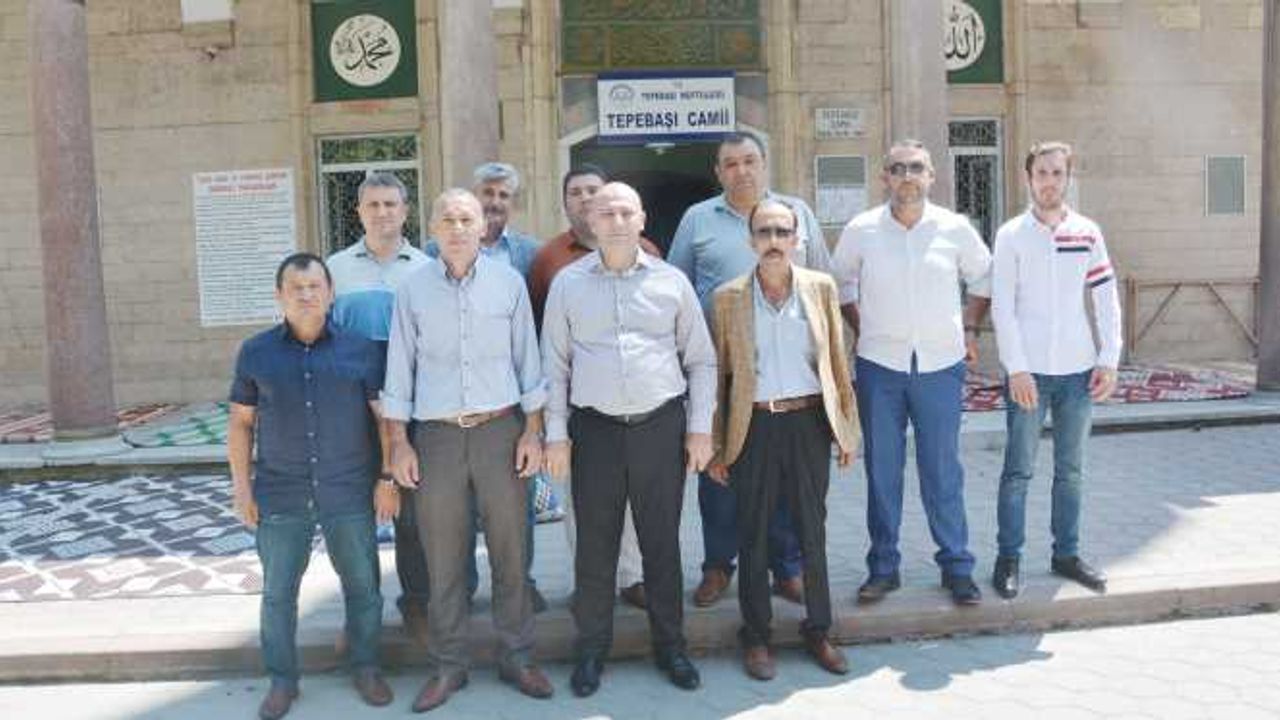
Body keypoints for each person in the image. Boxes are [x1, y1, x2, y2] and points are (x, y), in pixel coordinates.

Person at [543, 183, 716, 697]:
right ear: (591, 221)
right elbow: (554, 366)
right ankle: (591, 650)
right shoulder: (568, 284)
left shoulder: (672, 282)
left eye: (626, 212)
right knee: (594, 548)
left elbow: (701, 360)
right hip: (593, 430)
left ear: (642, 219)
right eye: (606, 213)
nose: (616, 221)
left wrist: (700, 429)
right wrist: (556, 435)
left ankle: (672, 647)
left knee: (660, 544)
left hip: (659, 428)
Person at [384, 190, 552, 712]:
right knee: (444, 556)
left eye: (466, 219)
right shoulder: (412, 290)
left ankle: (517, 655)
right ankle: (449, 664)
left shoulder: (509, 284)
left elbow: (529, 362)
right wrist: (399, 443)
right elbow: (399, 370)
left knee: (510, 550)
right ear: (432, 228)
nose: (457, 228)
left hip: (501, 431)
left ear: (483, 227)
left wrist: (533, 432)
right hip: (436, 437)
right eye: (447, 220)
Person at [228, 253, 396, 720]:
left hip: (349, 488)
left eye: (314, 286)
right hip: (281, 491)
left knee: (363, 587)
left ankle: (366, 667)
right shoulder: (255, 352)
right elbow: (240, 424)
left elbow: (384, 421)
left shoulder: (361, 350)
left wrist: (387, 478)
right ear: (280, 295)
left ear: (330, 292)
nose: (306, 295)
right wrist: (242, 489)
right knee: (278, 593)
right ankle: (283, 680)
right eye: (296, 288)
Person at [669, 132, 830, 608]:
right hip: (720, 374)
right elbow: (678, 289)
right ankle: (719, 565)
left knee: (783, 478)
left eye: (749, 161)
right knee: (719, 473)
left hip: (787, 375)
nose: (741, 171)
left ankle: (787, 567)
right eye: (731, 163)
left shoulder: (796, 213)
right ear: (718, 172)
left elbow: (822, 282)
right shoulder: (698, 219)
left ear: (764, 163)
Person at [832, 139, 992, 607]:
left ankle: (957, 566)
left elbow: (984, 277)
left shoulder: (955, 228)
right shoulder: (862, 229)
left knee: (942, 470)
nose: (907, 176)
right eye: (898, 168)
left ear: (931, 176)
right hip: (879, 367)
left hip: (940, 366)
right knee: (882, 471)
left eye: (916, 168)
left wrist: (970, 327)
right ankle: (883, 568)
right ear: (884, 177)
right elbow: (840, 282)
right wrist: (862, 326)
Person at [708, 199, 860, 680]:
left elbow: (837, 362)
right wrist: (717, 445)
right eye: (764, 232)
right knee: (752, 533)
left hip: (808, 423)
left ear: (797, 239)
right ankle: (757, 636)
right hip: (752, 426)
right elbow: (720, 377)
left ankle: (819, 629)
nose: (773, 241)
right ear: (750, 240)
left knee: (811, 530)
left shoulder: (820, 288)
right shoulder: (728, 298)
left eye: (782, 232)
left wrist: (847, 430)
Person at [989, 141, 1121, 599]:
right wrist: (1016, 369)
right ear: (1029, 178)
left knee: (1071, 471)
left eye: (1057, 173)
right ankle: (1008, 558)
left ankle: (1066, 555)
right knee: (1018, 471)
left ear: (1068, 178)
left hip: (1078, 373)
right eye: (1041, 173)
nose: (1049, 181)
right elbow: (1003, 307)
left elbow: (1105, 298)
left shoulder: (1086, 232)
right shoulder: (1011, 235)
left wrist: (1108, 359)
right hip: (1029, 375)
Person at [527, 163, 661, 610]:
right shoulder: (548, 260)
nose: (586, 199)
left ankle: (633, 577)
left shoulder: (648, 252)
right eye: (576, 192)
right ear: (565, 203)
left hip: (638, 404)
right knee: (583, 501)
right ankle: (589, 581)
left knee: (633, 500)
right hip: (579, 405)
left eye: (593, 190)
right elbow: (543, 335)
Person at [426, 161, 547, 611]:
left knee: (514, 508)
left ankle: (520, 584)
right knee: (455, 510)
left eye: (503, 195)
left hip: (507, 401)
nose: (494, 202)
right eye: (487, 193)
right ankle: (464, 586)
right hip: (450, 401)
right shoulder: (432, 254)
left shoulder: (530, 255)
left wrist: (534, 420)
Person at [327, 171, 431, 642]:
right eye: (373, 204)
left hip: (412, 410)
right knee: (355, 517)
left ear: (405, 211)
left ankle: (418, 605)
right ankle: (361, 612)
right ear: (359, 212)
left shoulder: (426, 269)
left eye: (391, 204)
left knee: (413, 514)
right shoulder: (335, 270)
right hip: (350, 413)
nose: (382, 212)